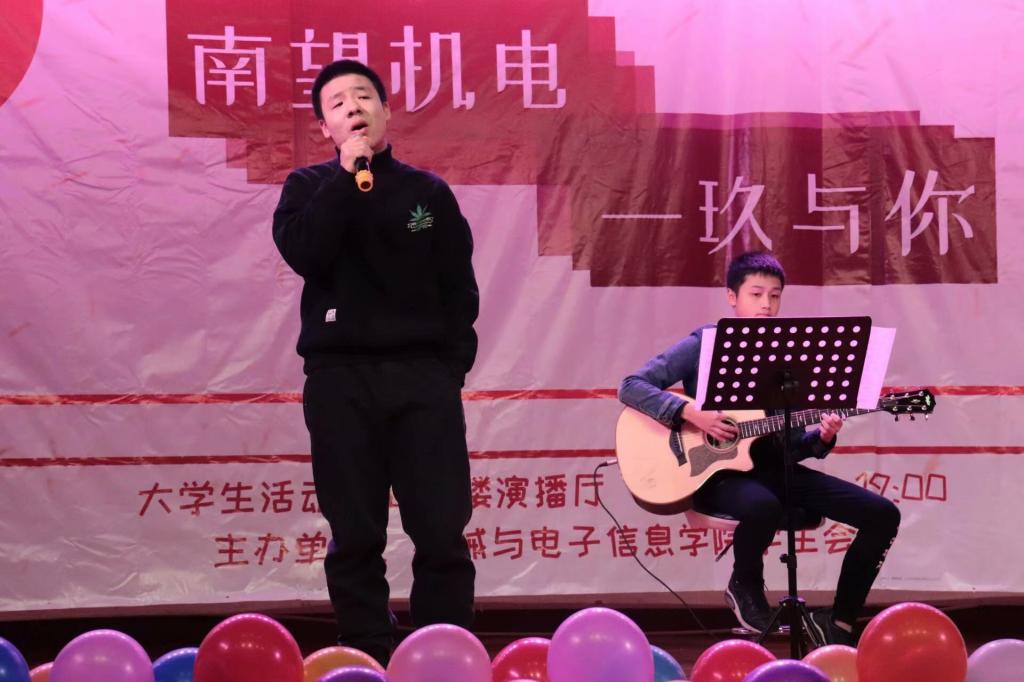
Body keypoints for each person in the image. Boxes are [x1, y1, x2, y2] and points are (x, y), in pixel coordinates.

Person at [272, 59, 479, 666]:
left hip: (422, 381)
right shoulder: (307, 188)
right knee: (355, 533)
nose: (353, 108)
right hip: (340, 382)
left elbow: (459, 291)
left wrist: (447, 372)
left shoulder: (428, 194)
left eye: (364, 97)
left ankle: (443, 655)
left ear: (387, 111)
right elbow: (307, 253)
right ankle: (365, 653)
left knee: (440, 529)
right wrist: (345, 175)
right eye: (337, 103)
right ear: (325, 128)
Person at [618, 251, 900, 645]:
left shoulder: (789, 353)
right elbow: (631, 386)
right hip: (714, 473)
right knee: (763, 505)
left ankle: (839, 622)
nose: (766, 304)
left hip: (773, 470)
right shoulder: (707, 343)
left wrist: (821, 438)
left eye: (775, 295)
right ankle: (744, 584)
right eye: (756, 294)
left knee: (882, 514)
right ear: (732, 297)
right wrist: (692, 413)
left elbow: (790, 447)